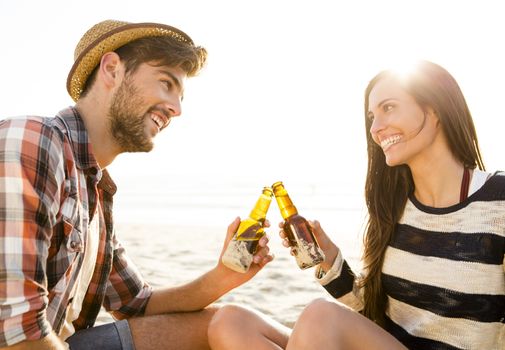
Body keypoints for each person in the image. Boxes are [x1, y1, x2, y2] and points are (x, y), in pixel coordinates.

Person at [0, 19, 285, 350]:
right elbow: (17, 334)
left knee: (228, 321)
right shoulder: (30, 142)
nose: (176, 109)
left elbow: (135, 302)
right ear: (112, 70)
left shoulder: (95, 188)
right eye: (166, 83)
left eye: (180, 95)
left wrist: (225, 275)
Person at [207, 61, 505, 349]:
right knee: (230, 322)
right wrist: (328, 259)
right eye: (371, 116)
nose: (376, 128)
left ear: (435, 108)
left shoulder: (498, 199)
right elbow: (373, 314)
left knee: (320, 317)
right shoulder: (394, 207)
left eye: (388, 108)